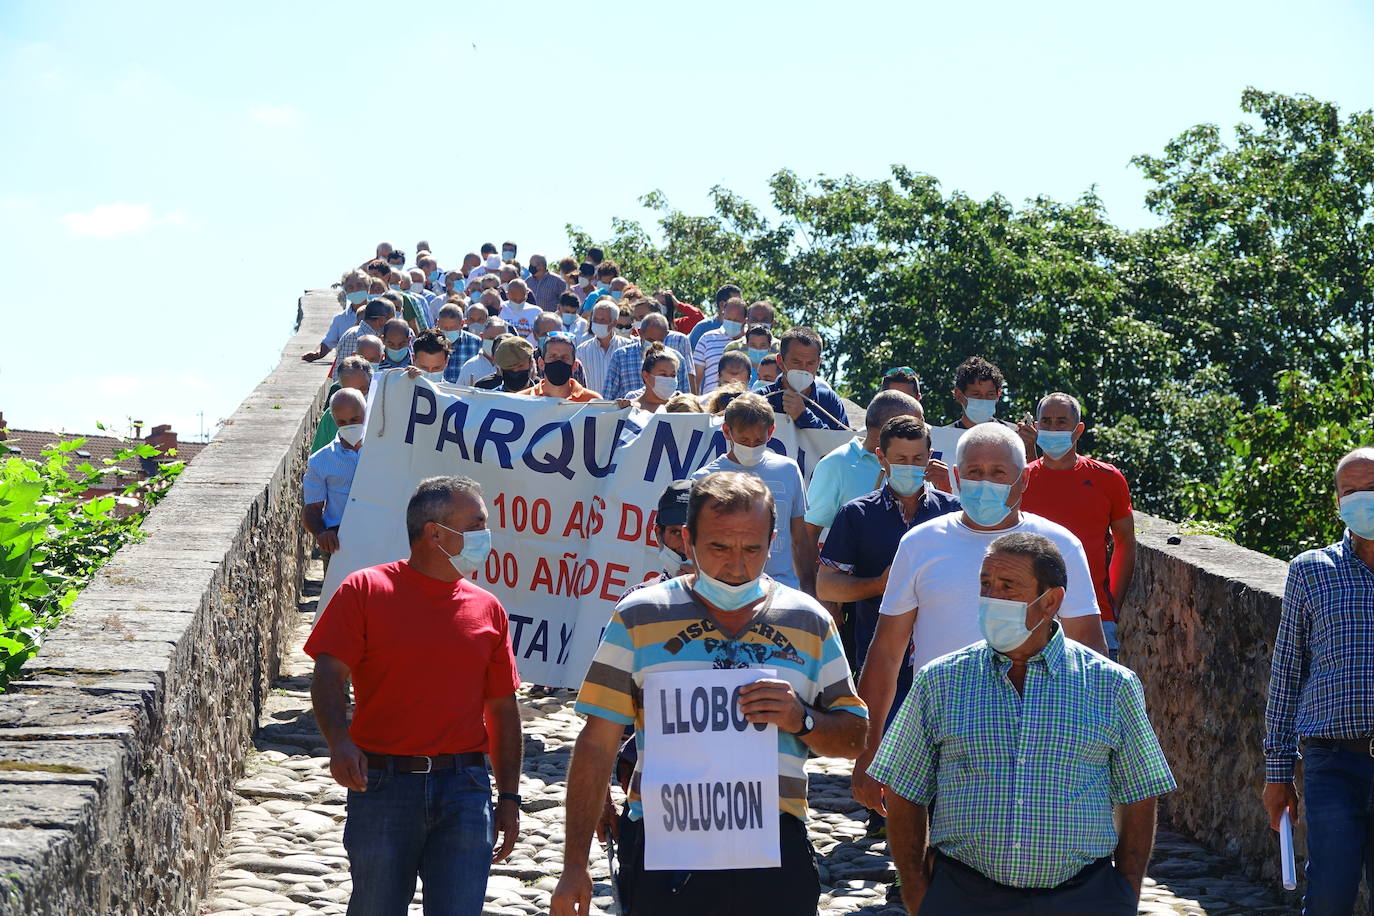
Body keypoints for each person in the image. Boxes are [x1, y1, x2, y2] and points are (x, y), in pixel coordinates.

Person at [550, 472, 868, 916]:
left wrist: (802, 719)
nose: (736, 565)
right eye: (719, 547)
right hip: (664, 852)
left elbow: (856, 737)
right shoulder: (639, 616)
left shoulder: (809, 622)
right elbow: (597, 741)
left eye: (753, 549)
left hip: (773, 850)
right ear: (686, 539)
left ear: (772, 540)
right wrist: (573, 866)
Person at [872, 533, 1175, 914]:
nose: (991, 598)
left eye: (1008, 587)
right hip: (965, 893)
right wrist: (918, 895)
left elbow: (1140, 794)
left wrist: (1125, 893)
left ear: (1051, 601)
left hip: (1083, 895)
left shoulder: (1111, 685)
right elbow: (904, 791)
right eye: (985, 585)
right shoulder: (941, 680)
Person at [852, 422, 1109, 817]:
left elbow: (1089, 651)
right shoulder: (920, 543)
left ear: (1022, 481)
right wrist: (868, 754)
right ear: (955, 476)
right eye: (974, 472)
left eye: (998, 473)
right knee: (929, 867)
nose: (984, 482)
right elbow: (886, 653)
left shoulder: (1060, 546)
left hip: (1037, 741)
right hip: (939, 739)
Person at [305, 476, 523, 915]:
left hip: (465, 788)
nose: (486, 535)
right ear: (435, 533)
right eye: (476, 524)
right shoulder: (364, 591)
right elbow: (328, 675)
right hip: (383, 785)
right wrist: (340, 743)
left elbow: (503, 708)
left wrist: (510, 798)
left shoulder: (489, 608)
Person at [1263, 446, 1374, 915]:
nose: (1361, 499)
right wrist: (1277, 774)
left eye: (1371, 488)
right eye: (1350, 491)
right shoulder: (1311, 571)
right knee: (1329, 895)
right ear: (1337, 502)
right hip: (1331, 760)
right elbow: (1286, 673)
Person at [1020, 393, 1136, 659]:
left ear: (1078, 429)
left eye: (1062, 422)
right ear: (1036, 428)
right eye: (1046, 422)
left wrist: (1112, 604)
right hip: (1030, 621)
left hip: (1095, 619)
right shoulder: (1021, 479)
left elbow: (1126, 542)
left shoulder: (1108, 479)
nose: (1053, 428)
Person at [691, 393, 815, 595]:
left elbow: (800, 539)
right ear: (726, 431)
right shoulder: (704, 479)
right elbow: (695, 547)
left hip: (782, 589)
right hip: (724, 592)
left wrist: (810, 591)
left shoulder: (789, 470)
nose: (751, 447)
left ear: (771, 432)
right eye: (744, 440)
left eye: (758, 440)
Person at [803, 390, 924, 541]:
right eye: (914, 426)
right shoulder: (836, 464)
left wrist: (944, 489)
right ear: (890, 427)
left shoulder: (920, 465)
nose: (923, 432)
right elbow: (807, 533)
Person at [301, 389, 366, 556]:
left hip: (382, 536)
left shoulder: (386, 451)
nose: (349, 426)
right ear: (333, 420)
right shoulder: (320, 461)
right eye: (342, 422)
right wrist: (321, 533)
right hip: (339, 541)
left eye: (355, 419)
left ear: (366, 412)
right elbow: (312, 509)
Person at [756, 327, 850, 431]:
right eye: (796, 362)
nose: (803, 368)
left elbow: (842, 444)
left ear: (819, 363)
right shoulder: (760, 399)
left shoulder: (829, 401)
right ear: (780, 361)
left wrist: (803, 416)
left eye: (810, 363)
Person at [601, 312, 692, 400]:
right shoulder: (621, 356)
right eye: (650, 339)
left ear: (666, 334)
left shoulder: (677, 358)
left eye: (660, 340)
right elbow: (608, 396)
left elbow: (685, 399)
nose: (654, 344)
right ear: (640, 333)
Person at [304, 271, 370, 362]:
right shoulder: (340, 319)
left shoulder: (380, 312)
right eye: (350, 287)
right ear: (346, 291)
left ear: (367, 288)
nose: (355, 290)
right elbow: (328, 342)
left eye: (359, 285)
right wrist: (317, 354)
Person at [312, 356, 372, 451]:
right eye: (350, 390)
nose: (357, 396)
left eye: (363, 389)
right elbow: (318, 453)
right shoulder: (330, 416)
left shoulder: (382, 411)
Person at [519, 333, 600, 401]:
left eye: (565, 357)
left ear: (575, 366)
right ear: (541, 363)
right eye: (553, 357)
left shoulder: (592, 401)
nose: (558, 362)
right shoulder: (522, 400)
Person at [692, 296, 747, 394]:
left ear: (744, 320)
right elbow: (695, 378)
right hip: (710, 403)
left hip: (743, 403)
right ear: (723, 315)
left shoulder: (752, 342)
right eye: (729, 318)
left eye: (736, 320)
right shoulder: (707, 338)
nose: (732, 322)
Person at [575, 302, 631, 395]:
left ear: (614, 322)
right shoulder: (582, 350)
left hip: (620, 407)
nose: (598, 323)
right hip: (592, 406)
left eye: (603, 320)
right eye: (595, 319)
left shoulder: (628, 348)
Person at [622, 343, 680, 412]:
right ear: (646, 376)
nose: (668, 379)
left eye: (673, 375)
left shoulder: (682, 407)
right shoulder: (629, 408)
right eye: (663, 374)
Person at [434, 304, 483, 382]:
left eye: (453, 328)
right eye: (444, 328)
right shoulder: (431, 342)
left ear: (462, 324)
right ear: (438, 323)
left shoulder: (476, 343)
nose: (448, 331)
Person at [456, 319, 509, 387]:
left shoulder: (514, 367)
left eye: (499, 340)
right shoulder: (470, 367)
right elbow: (460, 394)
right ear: (482, 337)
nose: (495, 344)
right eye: (491, 338)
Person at [687, 283, 742, 350]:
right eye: (736, 303)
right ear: (722, 305)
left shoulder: (743, 328)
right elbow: (691, 356)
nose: (740, 306)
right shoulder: (702, 328)